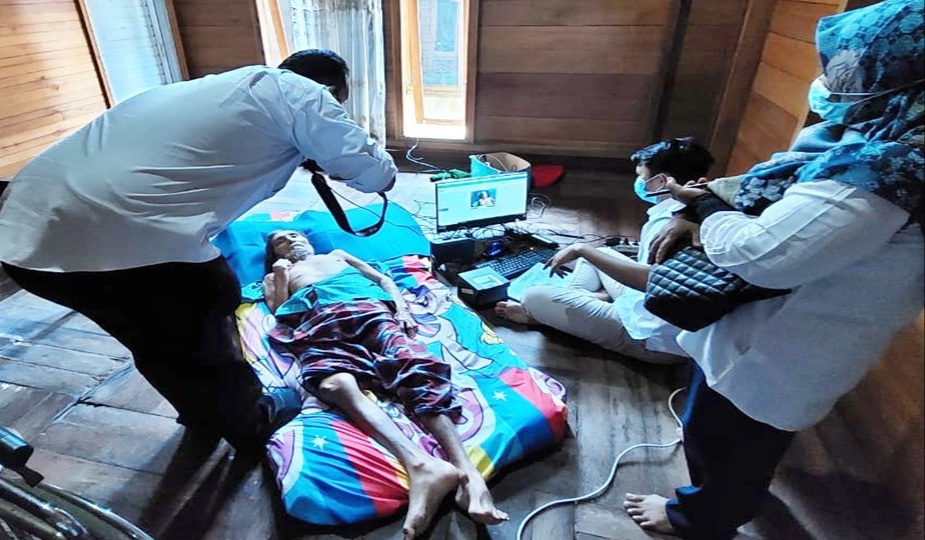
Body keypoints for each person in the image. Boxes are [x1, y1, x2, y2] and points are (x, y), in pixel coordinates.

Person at [0, 49, 398, 457]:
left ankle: (201, 413)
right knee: (208, 302)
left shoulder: (206, 89)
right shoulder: (300, 92)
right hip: (119, 230)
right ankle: (252, 423)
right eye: (338, 102)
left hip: (23, 237)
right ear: (329, 90)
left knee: (148, 332)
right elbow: (374, 173)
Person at [623, 1, 924, 537]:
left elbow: (762, 255)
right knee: (737, 438)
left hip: (783, 349)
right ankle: (729, 498)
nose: (830, 85)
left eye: (850, 72)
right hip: (770, 333)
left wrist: (706, 210)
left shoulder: (885, 172)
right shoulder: (878, 143)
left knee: (725, 437)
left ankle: (700, 517)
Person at [262, 230, 508, 539]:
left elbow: (382, 280)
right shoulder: (275, 275)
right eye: (280, 240)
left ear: (309, 241)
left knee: (415, 370)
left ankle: (470, 475)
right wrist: (281, 274)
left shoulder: (336, 255)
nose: (291, 240)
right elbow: (279, 311)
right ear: (275, 253)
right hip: (319, 321)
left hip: (367, 308)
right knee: (332, 384)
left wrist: (402, 309)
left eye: (294, 234)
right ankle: (420, 465)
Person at [494, 137, 714, 364]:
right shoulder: (696, 207)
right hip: (643, 305)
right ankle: (581, 303)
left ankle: (546, 314)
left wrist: (582, 249)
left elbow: (654, 281)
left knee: (533, 296)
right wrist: (587, 252)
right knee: (602, 254)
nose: (639, 182)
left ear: (661, 181)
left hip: (647, 337)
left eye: (642, 176)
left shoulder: (669, 226)